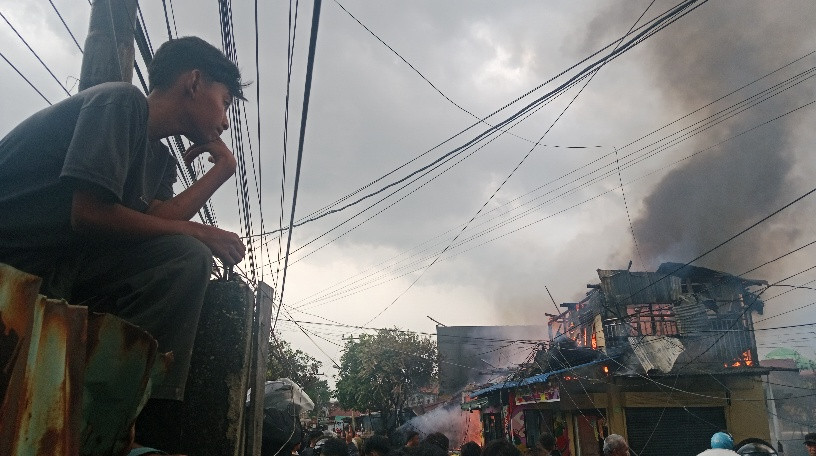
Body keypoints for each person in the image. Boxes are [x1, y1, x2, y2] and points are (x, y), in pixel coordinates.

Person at [0, 36, 247, 454]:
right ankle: (123, 411)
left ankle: (115, 402)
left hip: (58, 269)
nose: (225, 122)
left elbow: (157, 227)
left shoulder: (158, 159)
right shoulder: (121, 103)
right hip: (14, 257)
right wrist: (203, 233)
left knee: (183, 257)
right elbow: (90, 213)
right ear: (194, 81)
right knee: (190, 250)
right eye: (225, 102)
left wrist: (223, 169)